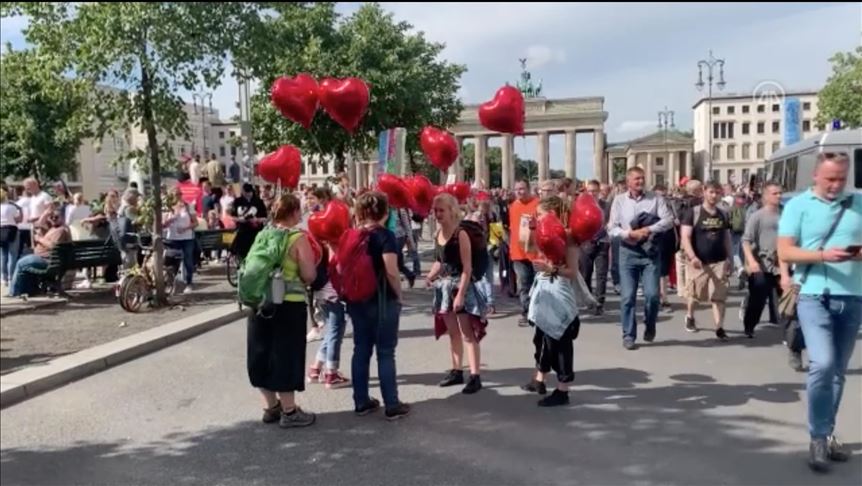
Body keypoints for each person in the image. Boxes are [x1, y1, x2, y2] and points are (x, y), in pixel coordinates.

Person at [776, 152, 862, 473]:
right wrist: (823, 255)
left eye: (841, 178)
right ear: (816, 176)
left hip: (853, 296)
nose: (835, 185)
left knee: (837, 370)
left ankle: (826, 433)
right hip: (814, 295)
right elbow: (785, 250)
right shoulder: (798, 205)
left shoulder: (858, 203)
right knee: (822, 363)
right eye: (830, 179)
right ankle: (817, 437)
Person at [247, 193, 318, 429]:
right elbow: (309, 275)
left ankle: (271, 407)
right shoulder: (298, 238)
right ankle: (289, 411)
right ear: (295, 212)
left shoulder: (263, 235)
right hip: (288, 304)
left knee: (261, 354)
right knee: (286, 355)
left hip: (260, 302)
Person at [347, 191, 410, 420]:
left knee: (361, 350)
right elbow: (391, 271)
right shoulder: (386, 236)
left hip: (356, 299)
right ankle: (392, 404)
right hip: (382, 299)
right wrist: (400, 296)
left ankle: (361, 401)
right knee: (385, 352)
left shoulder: (353, 235)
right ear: (385, 211)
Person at [520, 196, 581, 407]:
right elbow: (529, 250)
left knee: (560, 340)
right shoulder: (544, 233)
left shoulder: (569, 236)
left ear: (553, 213)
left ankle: (563, 390)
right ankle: (540, 379)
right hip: (543, 289)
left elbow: (572, 272)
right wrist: (531, 229)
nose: (539, 217)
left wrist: (551, 269)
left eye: (542, 214)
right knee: (542, 338)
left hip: (559, 291)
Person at [607, 167, 674, 350]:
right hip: (628, 253)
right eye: (636, 179)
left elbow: (668, 220)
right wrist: (629, 233)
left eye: (642, 178)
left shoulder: (656, 198)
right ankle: (628, 335)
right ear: (628, 182)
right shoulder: (619, 201)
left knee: (652, 296)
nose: (640, 181)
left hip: (650, 253)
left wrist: (648, 230)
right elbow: (611, 228)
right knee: (627, 297)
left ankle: (650, 324)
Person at [427, 193, 488, 395]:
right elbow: (440, 260)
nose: (437, 214)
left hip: (461, 286)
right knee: (452, 333)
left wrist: (461, 294)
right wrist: (430, 276)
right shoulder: (438, 234)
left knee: (467, 334)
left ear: (452, 211)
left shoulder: (460, 234)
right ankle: (456, 371)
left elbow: (467, 268)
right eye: (435, 210)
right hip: (445, 287)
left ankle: (475, 375)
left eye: (441, 210)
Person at [680, 181, 732, 340]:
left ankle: (719, 327)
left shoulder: (723, 213)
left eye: (717, 192)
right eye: (711, 192)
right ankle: (690, 316)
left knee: (719, 296)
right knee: (696, 294)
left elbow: (727, 237)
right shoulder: (693, 212)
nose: (714, 195)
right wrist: (692, 257)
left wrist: (729, 258)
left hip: (719, 261)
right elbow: (685, 237)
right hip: (699, 261)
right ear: (704, 192)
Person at [741, 181, 788, 338]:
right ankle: (749, 326)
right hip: (761, 265)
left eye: (780, 193)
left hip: (782, 265)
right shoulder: (757, 216)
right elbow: (746, 240)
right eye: (775, 193)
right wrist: (751, 261)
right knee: (758, 300)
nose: (779, 196)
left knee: (789, 300)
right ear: (766, 196)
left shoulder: (786, 213)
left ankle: (790, 332)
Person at [9, 209, 70, 298]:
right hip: (48, 259)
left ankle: (14, 292)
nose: (53, 219)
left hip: (48, 260)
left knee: (21, 263)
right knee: (25, 263)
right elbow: (38, 225)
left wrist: (39, 239)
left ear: (62, 218)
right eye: (51, 217)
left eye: (56, 217)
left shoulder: (61, 230)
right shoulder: (53, 228)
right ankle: (30, 290)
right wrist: (45, 214)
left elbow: (53, 246)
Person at [508, 180, 540, 327]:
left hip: (535, 251)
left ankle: (538, 311)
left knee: (538, 283)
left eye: (522, 189)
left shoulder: (538, 204)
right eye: (516, 189)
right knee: (523, 283)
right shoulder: (513, 206)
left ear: (528, 189)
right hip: (518, 252)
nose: (519, 192)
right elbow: (512, 229)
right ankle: (526, 311)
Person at [579, 180, 610, 315]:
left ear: (599, 192)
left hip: (602, 242)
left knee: (601, 274)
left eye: (594, 191)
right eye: (589, 191)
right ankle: (589, 300)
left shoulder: (606, 206)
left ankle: (600, 303)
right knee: (586, 273)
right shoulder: (581, 206)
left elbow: (611, 222)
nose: (592, 193)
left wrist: (604, 230)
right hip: (586, 244)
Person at [164, 187, 198, 294]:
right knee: (172, 262)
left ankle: (189, 283)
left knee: (187, 260)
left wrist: (185, 228)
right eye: (174, 195)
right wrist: (172, 218)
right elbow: (163, 224)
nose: (177, 197)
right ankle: (171, 284)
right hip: (172, 238)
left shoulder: (188, 206)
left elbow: (195, 223)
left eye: (179, 194)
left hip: (187, 238)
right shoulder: (167, 207)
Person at [229, 184, 268, 260]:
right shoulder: (237, 201)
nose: (247, 195)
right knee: (241, 253)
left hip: (256, 232)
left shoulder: (258, 201)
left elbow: (265, 217)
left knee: (255, 253)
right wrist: (240, 219)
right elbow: (232, 216)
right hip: (242, 231)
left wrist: (257, 220)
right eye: (245, 192)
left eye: (249, 192)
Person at [1, 189, 23, 287]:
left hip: (0, 230)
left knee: (3, 255)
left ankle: (3, 278)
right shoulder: (11, 207)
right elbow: (18, 219)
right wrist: (21, 210)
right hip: (11, 229)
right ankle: (11, 277)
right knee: (12, 255)